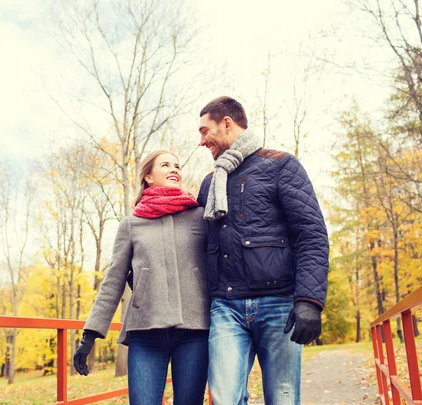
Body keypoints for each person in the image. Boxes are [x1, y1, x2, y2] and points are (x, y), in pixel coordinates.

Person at [196, 96, 329, 405]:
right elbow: (195, 243)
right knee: (225, 399)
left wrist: (309, 300)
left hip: (279, 304)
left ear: (226, 123)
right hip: (225, 307)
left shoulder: (281, 165)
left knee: (282, 399)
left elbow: (311, 234)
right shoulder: (209, 184)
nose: (202, 141)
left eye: (205, 131)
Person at [73, 150, 210, 405]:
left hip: (194, 331)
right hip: (145, 332)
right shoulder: (132, 224)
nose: (174, 170)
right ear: (148, 175)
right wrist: (90, 334)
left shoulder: (199, 216)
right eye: (166, 165)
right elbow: (113, 280)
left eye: (177, 166)